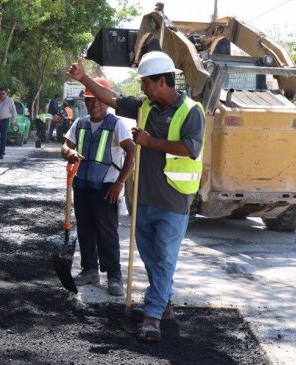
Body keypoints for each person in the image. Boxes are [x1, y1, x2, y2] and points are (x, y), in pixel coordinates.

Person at [67, 52, 205, 342]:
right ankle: (164, 303)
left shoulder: (191, 111)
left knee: (164, 258)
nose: (143, 88)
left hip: (174, 201)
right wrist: (84, 78)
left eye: (146, 83)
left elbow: (191, 148)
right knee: (152, 258)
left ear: (162, 81)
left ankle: (153, 317)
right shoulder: (146, 107)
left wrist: (150, 141)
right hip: (143, 199)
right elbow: (112, 98)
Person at [61, 77, 135, 297]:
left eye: (99, 99)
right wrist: (69, 152)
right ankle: (90, 270)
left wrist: (120, 182)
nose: (94, 104)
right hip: (82, 186)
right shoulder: (79, 123)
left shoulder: (116, 124)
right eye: (90, 99)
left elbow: (131, 152)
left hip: (106, 188)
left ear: (107, 100)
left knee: (107, 233)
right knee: (85, 230)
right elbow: (65, 146)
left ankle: (114, 276)